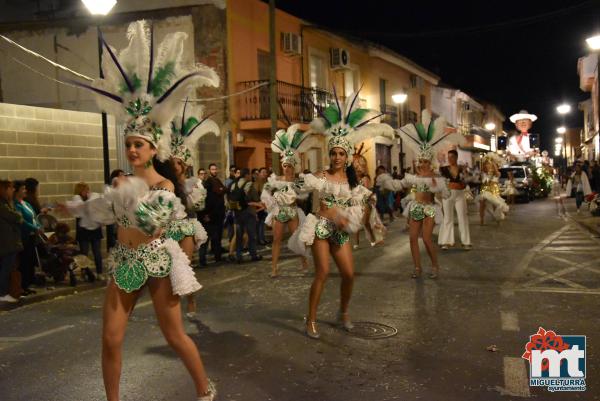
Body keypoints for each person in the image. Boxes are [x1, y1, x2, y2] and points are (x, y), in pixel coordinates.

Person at [61, 21, 218, 401]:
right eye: (129, 143)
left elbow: (150, 220)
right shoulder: (120, 184)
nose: (132, 150)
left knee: (174, 335)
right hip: (125, 261)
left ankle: (204, 387)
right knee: (111, 338)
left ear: (153, 150)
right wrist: (72, 205)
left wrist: (125, 193)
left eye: (139, 145)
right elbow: (101, 213)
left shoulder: (165, 188)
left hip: (157, 261)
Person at [288, 89, 393, 339]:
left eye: (341, 153)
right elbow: (297, 190)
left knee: (348, 274)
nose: (336, 157)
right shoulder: (320, 176)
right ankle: (311, 320)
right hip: (320, 228)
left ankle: (343, 312)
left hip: (339, 232)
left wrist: (368, 201)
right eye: (333, 153)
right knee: (322, 272)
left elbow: (362, 199)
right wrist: (281, 195)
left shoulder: (352, 182)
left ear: (347, 157)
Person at [378, 110, 452, 279]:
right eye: (421, 161)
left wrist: (436, 188)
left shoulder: (436, 177)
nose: (423, 164)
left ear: (430, 162)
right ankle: (417, 268)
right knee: (412, 238)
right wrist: (384, 181)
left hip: (430, 209)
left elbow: (446, 194)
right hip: (416, 207)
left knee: (426, 239)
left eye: (426, 161)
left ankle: (435, 266)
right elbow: (399, 184)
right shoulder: (415, 177)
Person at [168, 99, 217, 320]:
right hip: (167, 230)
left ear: (184, 165)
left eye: (177, 162)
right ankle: (172, 304)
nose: (173, 165)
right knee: (168, 270)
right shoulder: (163, 183)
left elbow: (197, 204)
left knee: (185, 266)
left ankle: (190, 300)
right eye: (172, 162)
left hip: (185, 227)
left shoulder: (191, 185)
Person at [262, 124, 314, 277]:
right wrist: (271, 204)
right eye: (284, 165)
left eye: (289, 166)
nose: (286, 168)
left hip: (292, 211)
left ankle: (303, 261)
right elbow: (265, 191)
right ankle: (274, 268)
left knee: (297, 239)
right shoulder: (276, 179)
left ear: (293, 166)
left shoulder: (298, 180)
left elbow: (306, 191)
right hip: (279, 212)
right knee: (277, 240)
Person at [438, 149, 472, 250]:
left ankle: (466, 242)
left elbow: (466, 182)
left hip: (460, 195)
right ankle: (446, 242)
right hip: (447, 195)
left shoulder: (462, 169)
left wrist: (465, 174)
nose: (450, 159)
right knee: (448, 218)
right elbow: (440, 182)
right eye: (448, 157)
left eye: (452, 157)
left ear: (456, 157)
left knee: (463, 217)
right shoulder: (443, 169)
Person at [13, 180, 42, 295]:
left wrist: (38, 226)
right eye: (22, 189)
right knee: (23, 261)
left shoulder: (26, 203)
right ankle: (21, 285)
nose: (25, 191)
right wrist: (34, 228)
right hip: (24, 236)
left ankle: (27, 284)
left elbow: (34, 216)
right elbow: (22, 221)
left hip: (31, 236)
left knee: (30, 260)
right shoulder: (16, 205)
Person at [352, 144, 384, 248]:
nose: (357, 169)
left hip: (366, 203)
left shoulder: (365, 179)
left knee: (365, 222)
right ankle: (356, 243)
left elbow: (368, 192)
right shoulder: (352, 180)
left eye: (359, 167)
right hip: (356, 204)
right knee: (356, 223)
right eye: (355, 167)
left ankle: (373, 240)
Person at [230, 168, 263, 263]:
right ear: (247, 175)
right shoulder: (249, 184)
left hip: (237, 212)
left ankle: (238, 256)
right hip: (248, 212)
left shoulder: (233, 184)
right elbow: (255, 198)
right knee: (251, 234)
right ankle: (253, 254)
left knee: (239, 235)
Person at [71, 182, 104, 278]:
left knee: (97, 252)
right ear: (80, 191)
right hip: (83, 230)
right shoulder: (77, 199)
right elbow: (81, 209)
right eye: (85, 190)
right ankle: (84, 273)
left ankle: (99, 272)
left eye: (88, 189)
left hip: (95, 228)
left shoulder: (92, 198)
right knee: (84, 253)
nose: (88, 191)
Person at [198, 163, 227, 266]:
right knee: (206, 238)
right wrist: (206, 214)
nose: (214, 171)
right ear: (209, 171)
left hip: (217, 214)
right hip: (209, 215)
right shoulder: (208, 182)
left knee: (217, 237)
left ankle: (217, 257)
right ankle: (203, 260)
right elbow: (216, 193)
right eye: (212, 169)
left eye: (215, 169)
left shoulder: (217, 180)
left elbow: (224, 190)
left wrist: (221, 190)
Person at [0, 180, 23, 303]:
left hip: (8, 241)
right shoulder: (2, 205)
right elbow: (16, 217)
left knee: (8, 268)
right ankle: (2, 293)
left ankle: (6, 291)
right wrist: (18, 215)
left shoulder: (6, 203)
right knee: (6, 268)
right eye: (10, 188)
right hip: (6, 242)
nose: (12, 190)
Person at [477, 152, 509, 225]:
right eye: (486, 164)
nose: (488, 165)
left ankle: (497, 219)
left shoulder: (496, 173)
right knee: (482, 204)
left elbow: (497, 174)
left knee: (495, 204)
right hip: (484, 189)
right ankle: (481, 219)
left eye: (489, 164)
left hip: (494, 190)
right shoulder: (483, 173)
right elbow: (480, 179)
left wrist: (494, 166)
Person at [255, 167, 269, 246]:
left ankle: (262, 238)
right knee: (259, 223)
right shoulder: (257, 182)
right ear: (259, 173)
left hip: (266, 204)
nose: (264, 174)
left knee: (263, 223)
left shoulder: (266, 182)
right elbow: (256, 194)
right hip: (259, 205)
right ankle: (259, 239)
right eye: (263, 172)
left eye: (265, 172)